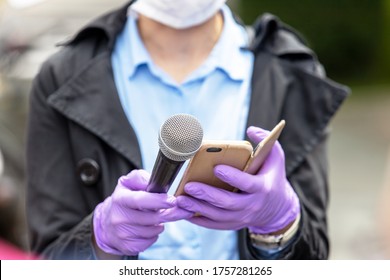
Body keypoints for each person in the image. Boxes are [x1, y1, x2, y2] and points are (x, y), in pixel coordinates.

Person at [26, 0, 349, 260]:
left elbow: (315, 256)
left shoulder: (293, 75)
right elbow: (48, 259)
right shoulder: (61, 76)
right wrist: (98, 241)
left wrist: (280, 225)